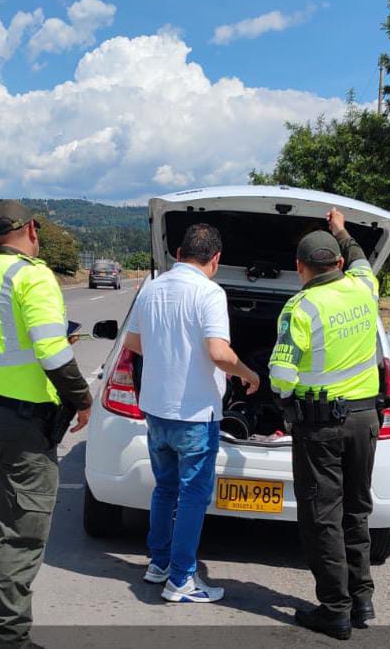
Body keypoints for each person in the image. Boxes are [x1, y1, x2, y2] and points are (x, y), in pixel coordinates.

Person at [0, 200, 93, 649]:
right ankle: (10, 638)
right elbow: (52, 354)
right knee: (20, 534)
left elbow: (2, 340)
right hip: (25, 425)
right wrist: (82, 398)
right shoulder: (32, 276)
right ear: (31, 229)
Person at [121, 223, 261, 603]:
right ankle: (181, 579)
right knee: (193, 495)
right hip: (195, 414)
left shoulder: (151, 288)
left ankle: (159, 563)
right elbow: (217, 353)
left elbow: (133, 342)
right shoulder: (210, 293)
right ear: (215, 259)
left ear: (179, 254)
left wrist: (169, 355)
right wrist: (248, 374)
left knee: (165, 489)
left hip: (155, 410)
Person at [269, 208, 381, 640]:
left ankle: (334, 609)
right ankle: (362, 599)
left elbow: (282, 375)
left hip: (321, 429)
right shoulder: (364, 288)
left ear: (300, 268)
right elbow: (361, 259)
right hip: (366, 420)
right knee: (357, 510)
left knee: (323, 517)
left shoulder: (299, 307)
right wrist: (341, 229)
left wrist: (285, 403)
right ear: (336, 263)